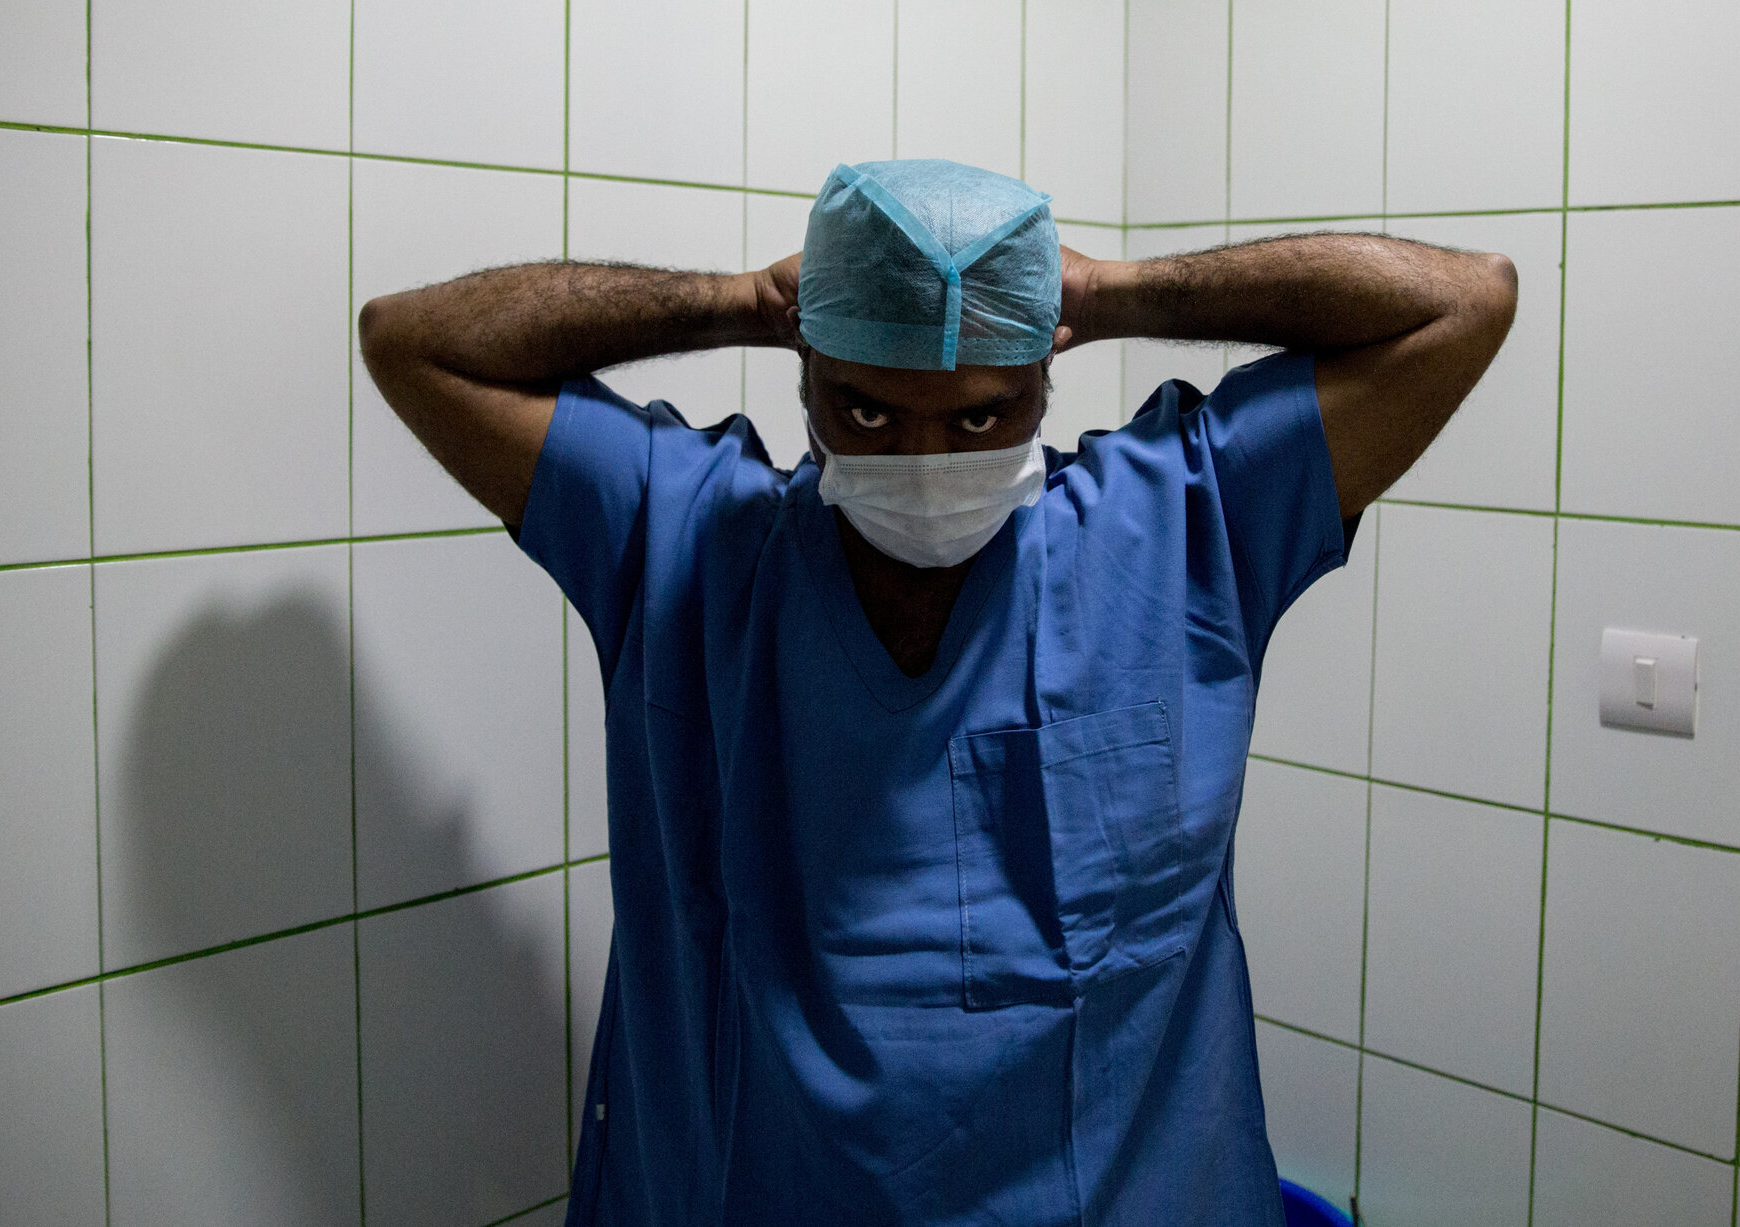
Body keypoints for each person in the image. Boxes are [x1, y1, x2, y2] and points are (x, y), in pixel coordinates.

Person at [358, 158, 1516, 1226]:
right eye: (866, 409)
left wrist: (1105, 290)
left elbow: (1464, 301)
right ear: (803, 367)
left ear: (1045, 375)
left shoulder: (1182, 527)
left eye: (981, 415)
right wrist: (738, 300)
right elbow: (414, 341)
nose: (921, 461)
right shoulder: (681, 540)